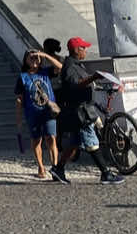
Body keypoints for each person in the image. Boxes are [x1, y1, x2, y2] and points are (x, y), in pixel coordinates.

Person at [51, 38, 124, 185]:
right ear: (77, 50)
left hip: (83, 109)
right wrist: (94, 77)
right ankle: (105, 173)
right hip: (80, 111)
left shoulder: (77, 65)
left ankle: (58, 169)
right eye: (84, 48)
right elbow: (75, 85)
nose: (86, 51)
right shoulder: (71, 66)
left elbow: (86, 85)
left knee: (75, 142)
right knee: (92, 141)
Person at [14, 52, 60, 180]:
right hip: (32, 114)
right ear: (25, 60)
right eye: (31, 57)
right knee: (36, 141)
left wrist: (45, 55)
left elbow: (60, 67)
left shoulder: (46, 72)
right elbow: (19, 99)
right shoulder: (22, 77)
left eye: (36, 57)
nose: (34, 59)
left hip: (48, 113)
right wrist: (19, 118)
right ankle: (41, 167)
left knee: (51, 138)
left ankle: (55, 168)